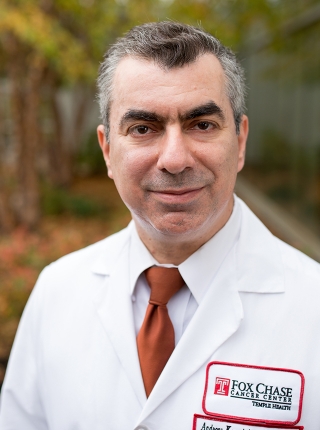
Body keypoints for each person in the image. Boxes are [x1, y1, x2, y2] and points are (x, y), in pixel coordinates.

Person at [0, 21, 319, 430]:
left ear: (239, 142)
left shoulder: (313, 308)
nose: (174, 159)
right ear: (107, 150)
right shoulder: (57, 292)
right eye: (143, 129)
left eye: (201, 125)